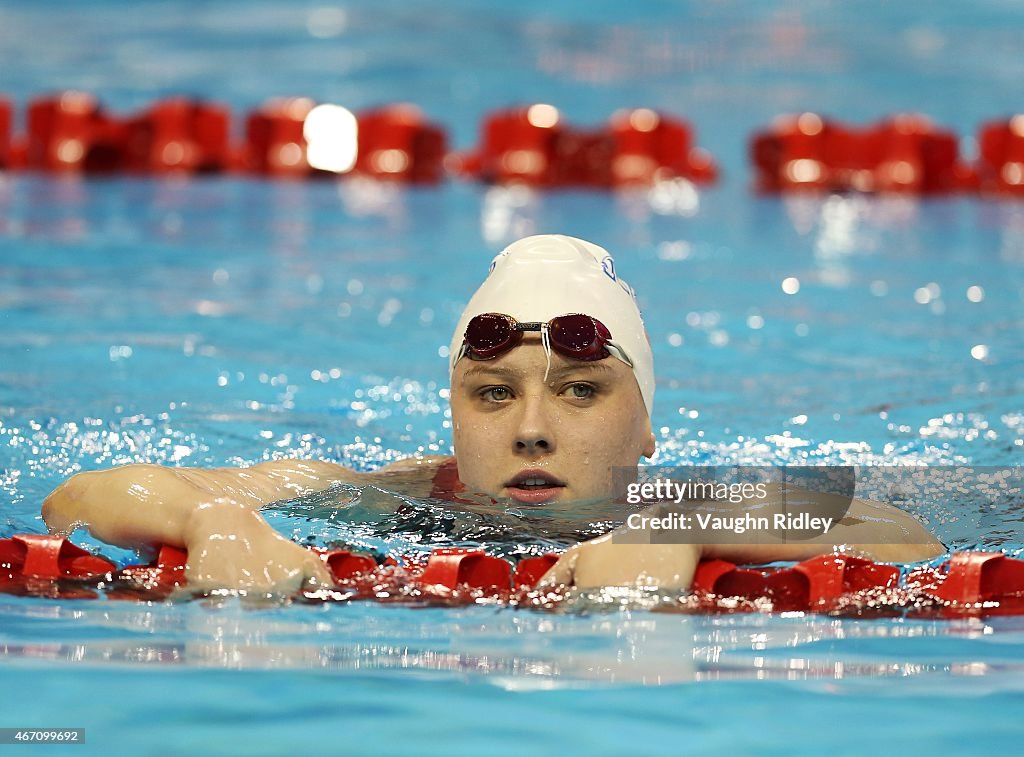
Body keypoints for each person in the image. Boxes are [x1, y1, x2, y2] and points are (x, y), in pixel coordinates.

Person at [41, 234, 944, 595]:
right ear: (455, 416)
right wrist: (212, 517)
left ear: (648, 431)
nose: (531, 429)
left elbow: (899, 530)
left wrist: (681, 532)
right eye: (494, 393)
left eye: (582, 391)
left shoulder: (681, 498)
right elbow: (77, 498)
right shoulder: (370, 498)